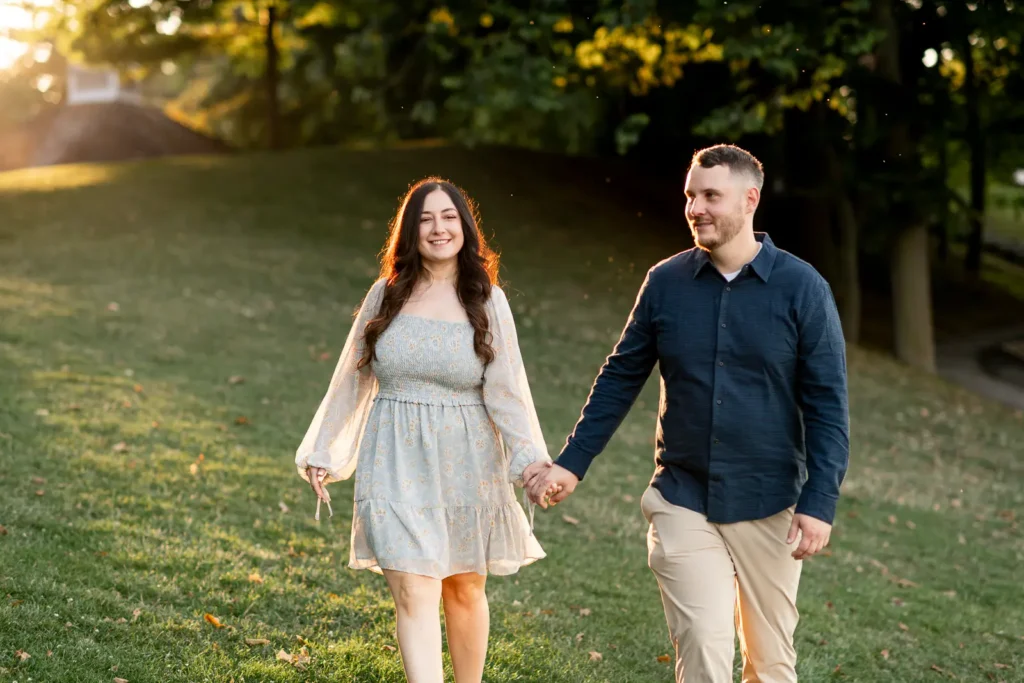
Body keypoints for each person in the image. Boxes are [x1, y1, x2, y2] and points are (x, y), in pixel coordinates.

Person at [526, 144, 850, 682]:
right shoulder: (666, 283)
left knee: (771, 662)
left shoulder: (803, 289)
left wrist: (819, 501)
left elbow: (828, 405)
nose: (695, 208)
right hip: (682, 497)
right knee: (702, 641)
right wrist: (572, 462)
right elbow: (621, 376)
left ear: (750, 200)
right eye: (690, 196)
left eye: (710, 196)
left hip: (770, 504)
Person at [296, 177, 559, 683]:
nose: (438, 228)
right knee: (414, 590)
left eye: (448, 217)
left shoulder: (487, 300)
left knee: (464, 589)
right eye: (425, 219)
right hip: (393, 460)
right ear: (410, 232)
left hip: (467, 461)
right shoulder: (386, 295)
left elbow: (508, 390)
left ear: (465, 227)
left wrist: (530, 462)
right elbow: (352, 376)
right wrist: (323, 449)